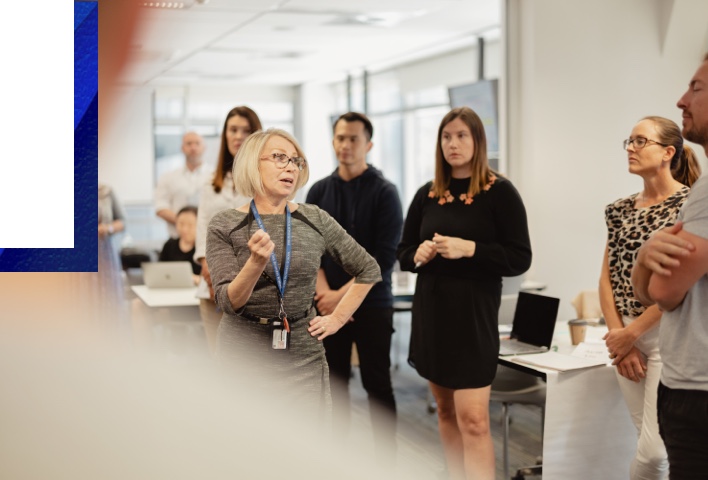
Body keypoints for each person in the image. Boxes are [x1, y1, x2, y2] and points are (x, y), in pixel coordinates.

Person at [205, 128, 381, 416]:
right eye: (279, 157)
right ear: (252, 162)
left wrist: (337, 318)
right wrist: (255, 264)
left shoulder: (314, 218)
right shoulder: (224, 224)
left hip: (302, 357)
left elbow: (368, 268)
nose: (290, 166)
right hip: (243, 358)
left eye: (296, 161)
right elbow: (228, 301)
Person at [396, 107, 531, 480]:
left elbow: (520, 258)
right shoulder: (427, 193)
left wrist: (469, 248)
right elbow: (403, 252)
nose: (453, 144)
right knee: (444, 410)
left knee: (473, 418)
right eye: (446, 137)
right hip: (433, 314)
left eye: (461, 136)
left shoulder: (499, 192)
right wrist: (417, 254)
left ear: (477, 141)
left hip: (473, 318)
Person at [599, 116, 700, 480]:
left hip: (669, 334)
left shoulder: (690, 205)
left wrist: (632, 335)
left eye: (641, 141)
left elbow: (683, 284)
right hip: (624, 335)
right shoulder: (619, 209)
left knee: (656, 452)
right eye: (629, 140)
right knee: (646, 441)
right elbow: (606, 277)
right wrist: (619, 337)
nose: (630, 147)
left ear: (667, 153)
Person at [305, 112, 402, 453]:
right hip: (326, 305)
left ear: (369, 144)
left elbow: (383, 258)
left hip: (372, 304)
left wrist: (343, 300)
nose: (345, 145)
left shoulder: (385, 193)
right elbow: (310, 251)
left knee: (378, 385)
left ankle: (386, 465)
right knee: (334, 386)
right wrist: (324, 296)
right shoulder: (318, 191)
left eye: (353, 139)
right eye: (340, 138)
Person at [632, 53, 708, 479]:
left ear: (668, 153)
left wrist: (646, 263)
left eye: (696, 88)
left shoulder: (696, 196)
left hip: (696, 388)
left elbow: (661, 293)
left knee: (649, 456)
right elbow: (644, 286)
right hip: (688, 380)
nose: (682, 100)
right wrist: (646, 258)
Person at [195, 106, 261, 354]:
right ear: (224, 134)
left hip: (252, 288)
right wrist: (206, 266)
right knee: (219, 363)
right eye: (233, 129)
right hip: (211, 284)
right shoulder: (210, 181)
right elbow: (202, 225)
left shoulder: (263, 182)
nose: (238, 136)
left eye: (246, 130)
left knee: (248, 366)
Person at [154, 132, 210, 239]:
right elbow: (160, 207)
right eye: (189, 144)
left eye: (197, 143)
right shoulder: (168, 177)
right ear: (182, 148)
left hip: (207, 239)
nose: (193, 147)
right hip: (176, 240)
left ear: (204, 147)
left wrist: (199, 224)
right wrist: (185, 223)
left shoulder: (215, 176)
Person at [158, 205, 202, 285]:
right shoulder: (169, 245)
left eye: (190, 225)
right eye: (181, 224)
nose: (185, 229)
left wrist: (197, 279)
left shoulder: (203, 248)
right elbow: (160, 272)